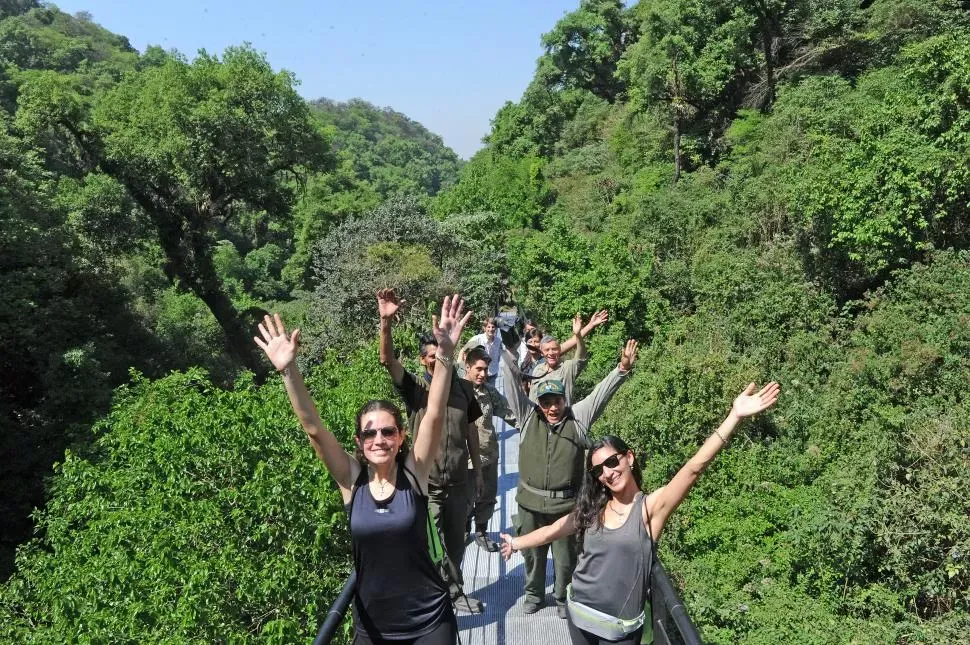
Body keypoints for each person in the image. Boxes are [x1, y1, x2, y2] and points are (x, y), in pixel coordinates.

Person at [252, 294, 472, 645]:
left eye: (388, 431)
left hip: (430, 620)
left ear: (402, 437)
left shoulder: (414, 473)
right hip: (372, 626)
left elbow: (433, 411)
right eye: (369, 432)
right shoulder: (352, 481)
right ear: (358, 440)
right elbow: (314, 429)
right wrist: (288, 371)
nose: (379, 439)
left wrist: (445, 356)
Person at [500, 382, 781, 644]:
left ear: (629, 457)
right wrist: (515, 543)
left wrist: (734, 416)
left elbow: (694, 468)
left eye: (612, 462)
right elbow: (553, 531)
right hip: (579, 615)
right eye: (599, 470)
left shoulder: (649, 508)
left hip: (619, 630)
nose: (608, 473)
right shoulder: (592, 507)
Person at [500, 339, 639, 619]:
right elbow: (511, 384)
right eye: (547, 402)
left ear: (566, 400)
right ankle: (533, 594)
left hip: (566, 507)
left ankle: (562, 595)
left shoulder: (578, 419)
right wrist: (506, 353)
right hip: (529, 503)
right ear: (538, 404)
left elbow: (601, 394)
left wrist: (621, 369)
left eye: (557, 401)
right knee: (532, 556)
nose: (552, 408)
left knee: (565, 559)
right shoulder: (528, 418)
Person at [377, 288, 484, 614]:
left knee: (455, 543)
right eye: (431, 355)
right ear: (423, 360)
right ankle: (434, 599)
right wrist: (385, 323)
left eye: (442, 354)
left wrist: (477, 473)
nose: (437, 359)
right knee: (429, 546)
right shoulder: (416, 389)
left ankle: (455, 594)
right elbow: (387, 361)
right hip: (428, 485)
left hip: (459, 482)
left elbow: (471, 432)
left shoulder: (464, 388)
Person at [463, 346, 517, 552]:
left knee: (487, 496)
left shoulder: (489, 392)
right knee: (466, 498)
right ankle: (464, 529)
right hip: (465, 459)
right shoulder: (457, 392)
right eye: (478, 369)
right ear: (467, 367)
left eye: (486, 369)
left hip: (488, 455)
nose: (483, 374)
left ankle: (481, 532)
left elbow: (510, 414)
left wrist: (533, 426)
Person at [529, 310, 609, 405]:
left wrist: (580, 333)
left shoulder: (567, 367)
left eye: (554, 349)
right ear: (541, 352)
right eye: (547, 350)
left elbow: (580, 355)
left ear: (559, 350)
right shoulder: (537, 369)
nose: (551, 353)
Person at [459, 318, 503, 385]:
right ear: (484, 328)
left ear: (496, 328)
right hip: (479, 374)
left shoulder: (498, 341)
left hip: (492, 374)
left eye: (493, 327)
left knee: (490, 394)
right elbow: (463, 350)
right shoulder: (477, 339)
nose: (491, 329)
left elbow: (499, 356)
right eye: (488, 327)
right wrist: (460, 366)